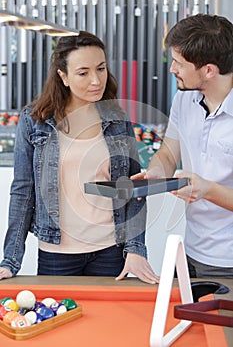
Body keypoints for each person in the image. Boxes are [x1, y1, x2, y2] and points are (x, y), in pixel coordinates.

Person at [0, 31, 159, 284]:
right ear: (63, 76)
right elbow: (22, 190)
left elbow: (134, 189)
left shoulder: (118, 121)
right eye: (83, 72)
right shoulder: (35, 121)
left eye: (101, 69)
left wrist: (135, 249)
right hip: (57, 255)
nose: (96, 80)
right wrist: (10, 260)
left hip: (110, 251)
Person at [132, 14, 233, 278]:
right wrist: (157, 172)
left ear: (209, 70)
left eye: (179, 62)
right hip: (190, 252)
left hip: (228, 261)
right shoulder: (184, 100)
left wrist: (207, 190)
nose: (171, 69)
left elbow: (206, 189)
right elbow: (168, 152)